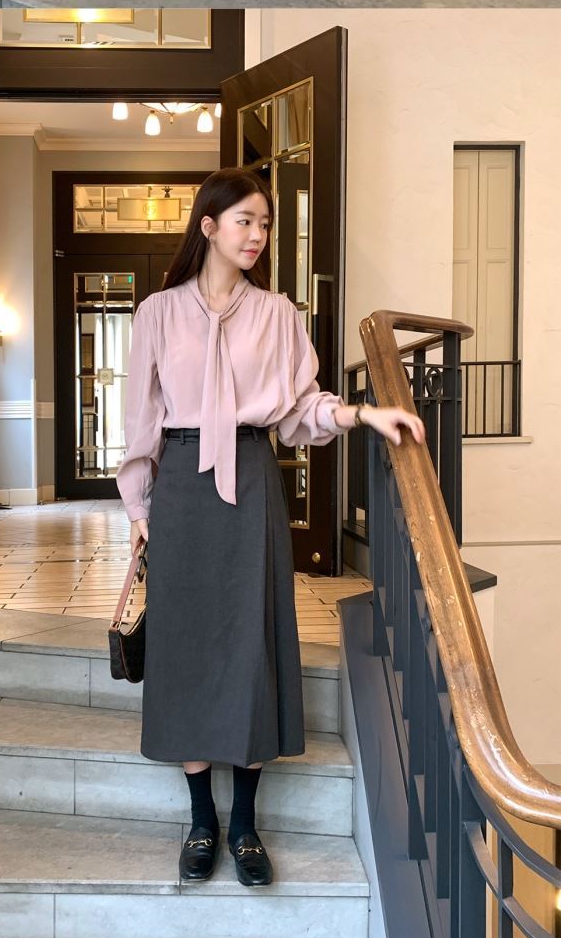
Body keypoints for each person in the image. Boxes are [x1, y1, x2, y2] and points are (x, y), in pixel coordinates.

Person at [117, 164, 423, 885]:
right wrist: (138, 507)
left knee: (251, 639)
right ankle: (202, 818)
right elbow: (141, 418)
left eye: (264, 224)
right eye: (244, 221)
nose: (257, 234)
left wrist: (361, 413)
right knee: (186, 645)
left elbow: (300, 408)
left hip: (252, 479)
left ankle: (245, 824)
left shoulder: (278, 315)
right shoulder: (157, 313)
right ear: (209, 226)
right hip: (182, 486)